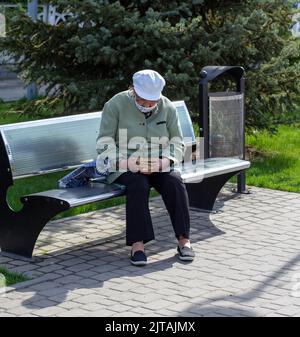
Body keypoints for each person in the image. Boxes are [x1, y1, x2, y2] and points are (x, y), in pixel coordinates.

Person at [96, 69, 195, 266]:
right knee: (138, 184)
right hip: (125, 164)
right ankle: (137, 245)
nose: (148, 105)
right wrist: (131, 163)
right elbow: (105, 142)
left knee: (175, 182)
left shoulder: (167, 107)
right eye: (143, 101)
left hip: (158, 162)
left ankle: (184, 240)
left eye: (152, 102)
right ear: (133, 90)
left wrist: (163, 162)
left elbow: (177, 142)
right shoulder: (116, 104)